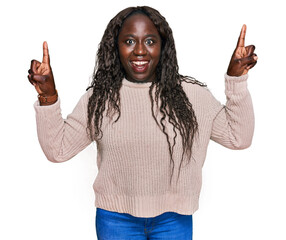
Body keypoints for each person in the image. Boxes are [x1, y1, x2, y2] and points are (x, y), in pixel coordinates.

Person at [27, 6, 257, 240]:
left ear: (163, 47)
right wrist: (48, 96)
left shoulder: (193, 96)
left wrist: (237, 79)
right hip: (115, 220)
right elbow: (58, 150)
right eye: (129, 41)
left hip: (174, 219)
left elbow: (239, 137)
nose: (139, 51)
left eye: (149, 41)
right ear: (115, 48)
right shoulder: (99, 99)